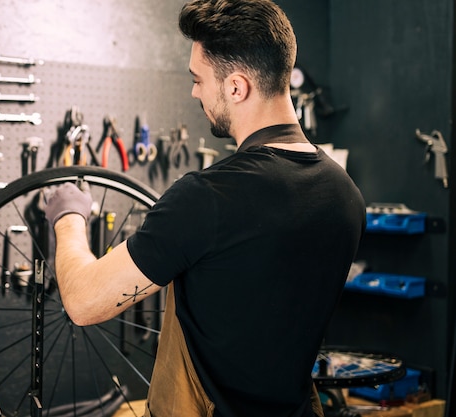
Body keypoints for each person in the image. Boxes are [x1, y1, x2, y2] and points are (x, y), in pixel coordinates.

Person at [43, 0, 366, 416]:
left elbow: (84, 303)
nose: (194, 91)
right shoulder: (345, 195)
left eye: (198, 78)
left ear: (236, 86)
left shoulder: (210, 196)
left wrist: (68, 216)